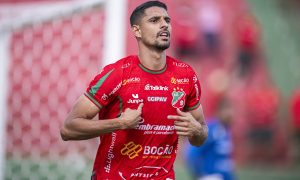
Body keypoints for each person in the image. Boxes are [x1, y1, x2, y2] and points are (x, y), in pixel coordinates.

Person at [60, 1, 208, 179]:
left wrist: (197, 131)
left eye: (167, 20)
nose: (164, 25)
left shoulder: (186, 75)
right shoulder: (117, 73)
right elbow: (68, 129)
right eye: (154, 20)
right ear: (136, 30)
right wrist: (120, 123)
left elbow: (200, 135)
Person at [185, 98, 235, 180]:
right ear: (219, 111)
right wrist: (199, 174)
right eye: (226, 110)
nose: (230, 114)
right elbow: (192, 153)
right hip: (211, 176)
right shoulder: (211, 129)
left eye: (231, 110)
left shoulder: (227, 130)